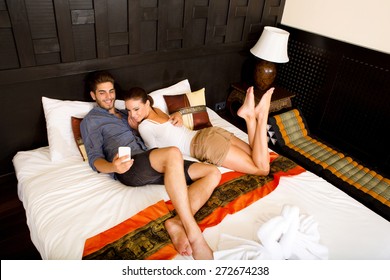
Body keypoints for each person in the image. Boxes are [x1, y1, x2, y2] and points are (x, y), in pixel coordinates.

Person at [80, 71, 221, 260]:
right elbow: (94, 158)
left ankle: (176, 223)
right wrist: (113, 167)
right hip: (129, 167)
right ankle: (195, 235)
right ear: (93, 95)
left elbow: (155, 127)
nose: (109, 97)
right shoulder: (91, 121)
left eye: (111, 91)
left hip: (151, 161)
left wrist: (141, 126)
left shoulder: (127, 113)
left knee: (212, 172)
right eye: (102, 93)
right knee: (172, 153)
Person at [124, 86, 273, 176]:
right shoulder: (156, 110)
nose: (133, 115)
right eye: (128, 111)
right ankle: (249, 117)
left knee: (262, 169)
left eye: (136, 109)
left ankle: (262, 116)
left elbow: (155, 155)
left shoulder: (144, 127)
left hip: (204, 145)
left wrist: (137, 129)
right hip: (210, 133)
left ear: (147, 103)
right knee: (258, 155)